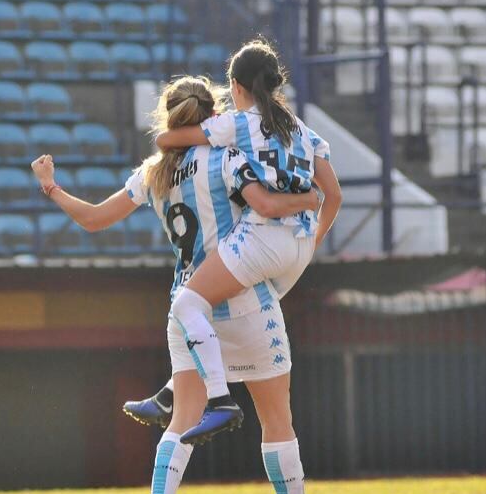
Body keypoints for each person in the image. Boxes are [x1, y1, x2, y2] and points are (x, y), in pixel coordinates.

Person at [30, 75, 345, 494]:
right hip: (243, 300)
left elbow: (93, 219)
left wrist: (51, 187)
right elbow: (266, 204)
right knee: (277, 419)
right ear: (213, 114)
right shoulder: (228, 157)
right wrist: (308, 201)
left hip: (186, 304)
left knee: (180, 419)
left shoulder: (152, 172)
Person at [126, 38, 343, 448]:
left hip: (263, 239)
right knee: (231, 310)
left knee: (190, 305)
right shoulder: (305, 132)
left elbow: (167, 141)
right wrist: (313, 239)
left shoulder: (237, 124)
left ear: (236, 86)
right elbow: (333, 195)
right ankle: (171, 391)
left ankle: (219, 400)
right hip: (299, 249)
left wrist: (206, 135)